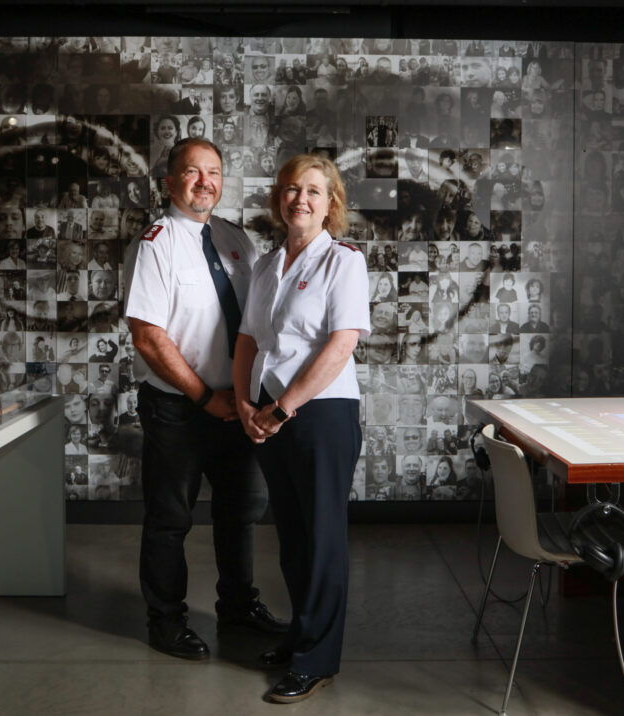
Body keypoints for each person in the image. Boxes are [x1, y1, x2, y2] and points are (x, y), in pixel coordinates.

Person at [123, 138, 285, 662]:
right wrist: (203, 398)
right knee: (170, 519)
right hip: (178, 409)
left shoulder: (235, 239)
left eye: (213, 172)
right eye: (191, 172)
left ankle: (237, 606)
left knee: (240, 513)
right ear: (170, 182)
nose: (204, 182)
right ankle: (166, 621)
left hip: (237, 405)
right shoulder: (155, 243)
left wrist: (243, 397)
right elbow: (148, 336)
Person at [233, 153, 369, 703]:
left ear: (330, 203)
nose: (301, 199)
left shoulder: (343, 261)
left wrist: (283, 408)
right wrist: (245, 403)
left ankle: (316, 659)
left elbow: (342, 344)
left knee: (323, 540)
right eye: (292, 189)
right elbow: (248, 340)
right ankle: (300, 632)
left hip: (320, 414)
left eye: (314, 191)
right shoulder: (267, 265)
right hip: (268, 412)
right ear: (279, 199)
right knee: (291, 535)